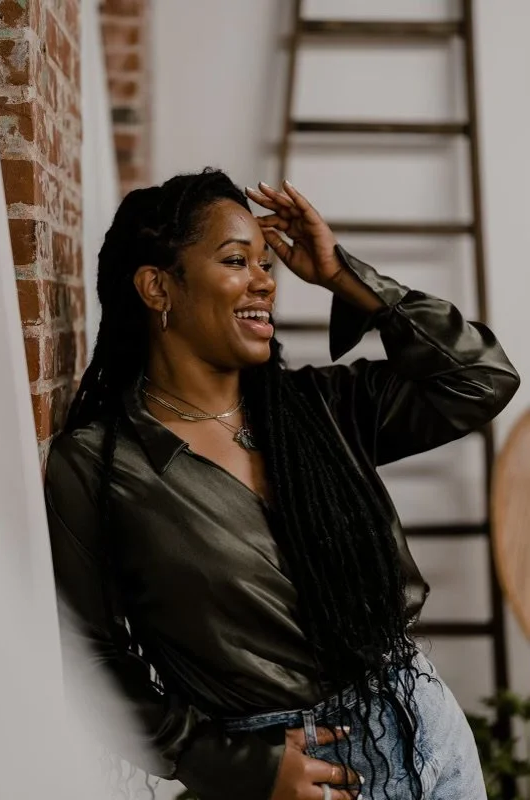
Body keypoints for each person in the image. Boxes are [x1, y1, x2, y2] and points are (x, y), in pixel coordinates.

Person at [45, 168, 519, 800]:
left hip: (430, 738)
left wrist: (343, 276)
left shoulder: (318, 410)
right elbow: (88, 658)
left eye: (266, 263)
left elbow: (481, 378)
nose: (265, 281)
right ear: (158, 287)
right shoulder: (100, 465)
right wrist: (235, 765)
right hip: (298, 776)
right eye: (237, 260)